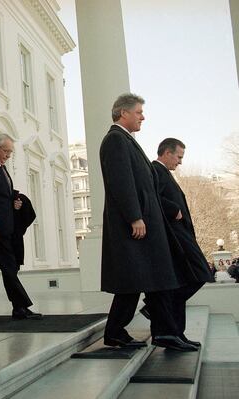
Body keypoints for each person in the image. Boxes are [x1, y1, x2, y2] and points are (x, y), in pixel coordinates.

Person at [99, 93, 196, 351]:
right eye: (139, 112)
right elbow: (121, 183)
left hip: (147, 223)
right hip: (134, 224)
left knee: (138, 281)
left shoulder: (126, 141)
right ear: (124, 113)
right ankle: (162, 333)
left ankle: (119, 332)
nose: (143, 116)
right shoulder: (115, 140)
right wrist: (135, 217)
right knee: (148, 278)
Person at [141, 138, 212, 347]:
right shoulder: (154, 170)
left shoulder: (163, 173)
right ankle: (159, 314)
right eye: (179, 157)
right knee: (199, 273)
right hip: (173, 235)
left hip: (180, 234)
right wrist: (173, 209)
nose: (180, 162)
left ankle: (175, 332)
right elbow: (149, 196)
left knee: (181, 282)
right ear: (167, 153)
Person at [0, 134, 42, 320]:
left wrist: (14, 202)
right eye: (6, 151)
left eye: (10, 152)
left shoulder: (1, 168)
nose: (8, 155)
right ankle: (20, 306)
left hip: (6, 226)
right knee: (9, 266)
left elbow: (2, 196)